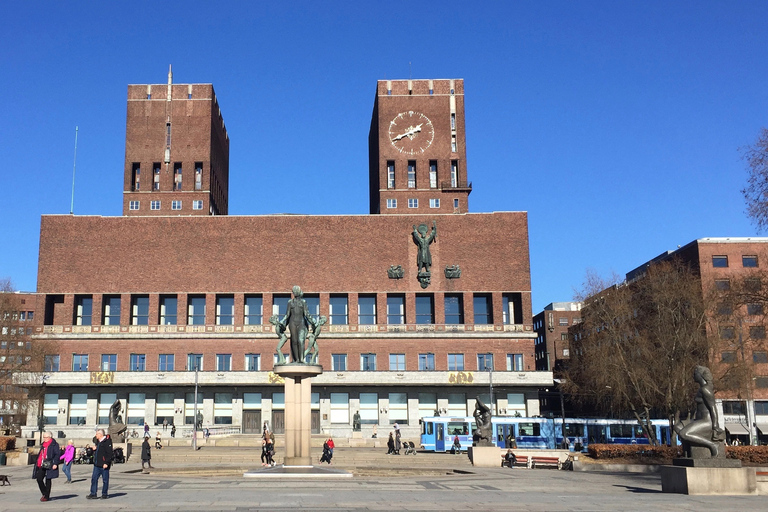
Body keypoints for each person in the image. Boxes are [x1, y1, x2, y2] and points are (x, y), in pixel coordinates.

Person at [674, 365, 725, 457]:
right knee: (677, 427)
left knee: (684, 433)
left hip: (707, 421)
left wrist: (715, 426)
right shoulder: (701, 389)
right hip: (698, 419)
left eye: (695, 373)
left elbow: (713, 407)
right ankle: (687, 453)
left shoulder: (706, 389)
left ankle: (712, 445)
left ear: (701, 375)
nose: (693, 376)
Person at [32, 431, 61, 502]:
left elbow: (57, 454)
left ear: (49, 437)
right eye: (44, 437)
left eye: (45, 437)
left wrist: (55, 463)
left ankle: (46, 496)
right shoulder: (43, 444)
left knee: (48, 479)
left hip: (50, 463)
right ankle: (45, 493)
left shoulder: (54, 444)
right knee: (39, 478)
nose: (44, 438)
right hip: (42, 463)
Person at [87, 428, 113, 500]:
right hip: (97, 464)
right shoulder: (98, 442)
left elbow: (109, 453)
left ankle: (104, 494)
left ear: (100, 435)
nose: (95, 435)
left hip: (104, 465)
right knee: (94, 479)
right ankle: (93, 493)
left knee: (105, 480)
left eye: (97, 434)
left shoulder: (107, 442)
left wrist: (106, 463)